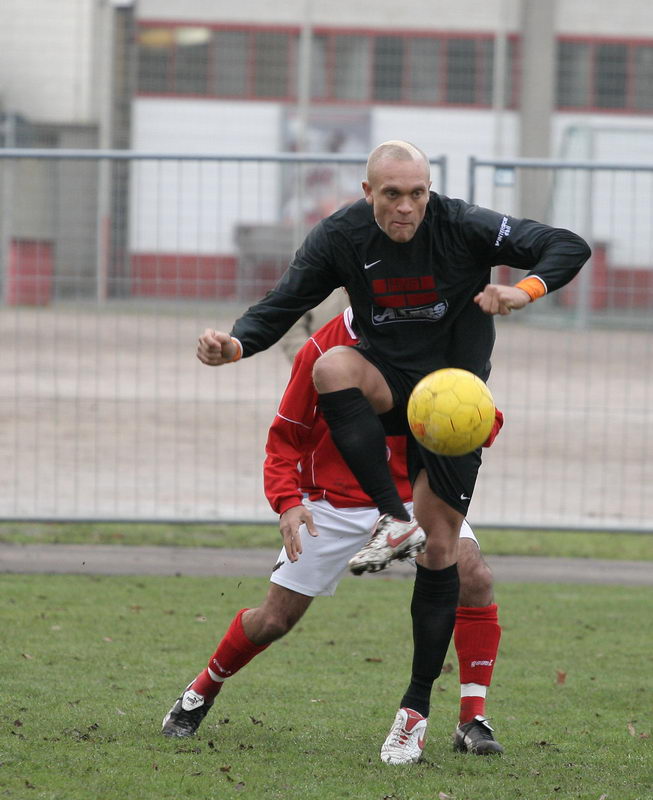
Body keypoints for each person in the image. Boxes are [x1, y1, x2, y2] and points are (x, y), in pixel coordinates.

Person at [194, 141, 591, 762]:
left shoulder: (463, 226)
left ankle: (418, 712)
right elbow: (284, 303)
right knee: (333, 370)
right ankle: (393, 516)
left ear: (429, 192)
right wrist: (238, 346)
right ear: (367, 193)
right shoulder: (340, 244)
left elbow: (568, 244)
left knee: (453, 564)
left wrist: (526, 290)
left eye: (417, 194)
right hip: (372, 420)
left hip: (450, 404)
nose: (406, 207)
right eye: (392, 194)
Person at [163, 306, 505, 761]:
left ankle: (472, 719)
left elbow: (476, 411)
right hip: (332, 505)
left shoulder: (436, 337)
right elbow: (285, 438)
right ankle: (201, 691)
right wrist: (288, 503)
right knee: (274, 619)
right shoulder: (322, 351)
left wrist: (466, 422)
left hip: (411, 497)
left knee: (474, 576)